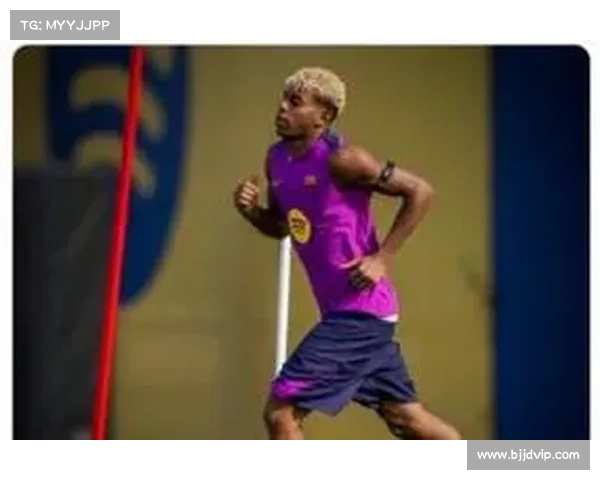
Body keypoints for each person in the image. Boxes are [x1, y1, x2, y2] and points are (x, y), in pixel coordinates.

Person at [233, 67, 461, 440]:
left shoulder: (344, 160)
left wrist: (383, 258)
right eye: (283, 99)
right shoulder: (276, 159)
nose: (282, 107)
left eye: (295, 102)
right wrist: (252, 211)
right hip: (353, 315)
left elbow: (421, 192)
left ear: (323, 117)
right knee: (408, 419)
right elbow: (283, 226)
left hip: (359, 313)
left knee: (281, 412)